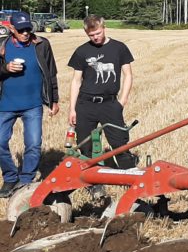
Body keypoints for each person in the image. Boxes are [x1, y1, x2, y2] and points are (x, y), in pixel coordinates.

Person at [0, 12, 59, 196]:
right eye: (21, 30)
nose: (26, 33)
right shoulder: (2, 46)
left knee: (33, 144)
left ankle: (25, 181)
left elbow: (51, 73)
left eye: (28, 29)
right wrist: (5, 68)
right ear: (11, 29)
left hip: (33, 104)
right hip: (5, 104)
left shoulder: (42, 44)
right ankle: (10, 178)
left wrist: (54, 99)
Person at [68, 15, 136, 168]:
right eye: (91, 35)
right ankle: (92, 181)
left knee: (120, 142)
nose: (95, 37)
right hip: (85, 104)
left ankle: (130, 175)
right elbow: (76, 81)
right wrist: (72, 109)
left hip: (110, 104)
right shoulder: (82, 51)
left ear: (104, 28)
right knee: (85, 145)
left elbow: (128, 75)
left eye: (98, 33)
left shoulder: (119, 48)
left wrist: (122, 101)